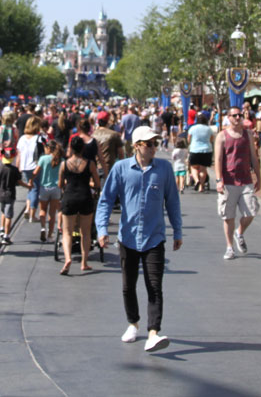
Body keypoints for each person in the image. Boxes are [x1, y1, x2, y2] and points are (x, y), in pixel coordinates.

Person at [96, 126, 181, 352]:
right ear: (136, 146)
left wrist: (178, 231)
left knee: (154, 285)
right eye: (148, 144)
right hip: (128, 237)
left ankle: (153, 332)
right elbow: (105, 200)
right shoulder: (121, 169)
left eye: (155, 143)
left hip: (154, 237)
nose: (154, 147)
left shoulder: (164, 169)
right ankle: (133, 323)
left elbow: (172, 201)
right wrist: (102, 228)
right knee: (128, 285)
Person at [215, 107, 261, 260]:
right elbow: (219, 159)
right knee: (228, 216)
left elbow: (254, 157)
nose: (237, 118)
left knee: (251, 211)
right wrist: (218, 180)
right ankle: (229, 247)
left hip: (246, 180)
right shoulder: (222, 136)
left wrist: (259, 177)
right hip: (228, 181)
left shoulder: (248, 135)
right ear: (228, 117)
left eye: (240, 115)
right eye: (234, 115)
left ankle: (239, 232)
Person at [58, 135, 102, 274]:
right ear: (83, 148)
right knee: (85, 232)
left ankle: (68, 259)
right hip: (85, 198)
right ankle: (84, 262)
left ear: (70, 147)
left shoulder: (64, 164)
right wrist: (91, 186)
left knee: (67, 232)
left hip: (69, 197)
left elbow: (60, 184)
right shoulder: (90, 164)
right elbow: (97, 184)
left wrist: (68, 184)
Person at [0, 149, 31, 246]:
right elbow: (19, 182)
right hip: (10, 195)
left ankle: (2, 228)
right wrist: (28, 186)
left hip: (0, 194)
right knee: (9, 215)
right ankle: (6, 236)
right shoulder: (14, 170)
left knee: (3, 212)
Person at [33, 139, 62, 244]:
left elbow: (35, 172)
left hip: (44, 188)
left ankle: (42, 228)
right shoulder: (60, 159)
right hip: (56, 188)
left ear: (48, 148)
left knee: (42, 210)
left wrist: (31, 181)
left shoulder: (43, 159)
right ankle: (50, 235)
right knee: (52, 213)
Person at [15, 117, 44, 223]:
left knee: (30, 187)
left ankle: (27, 209)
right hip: (35, 166)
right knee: (35, 189)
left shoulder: (22, 138)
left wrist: (18, 168)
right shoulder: (39, 138)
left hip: (24, 167)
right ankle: (32, 214)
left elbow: (19, 154)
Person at [187, 113, 214, 192]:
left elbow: (189, 139)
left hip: (195, 149)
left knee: (193, 167)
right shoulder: (208, 129)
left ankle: (196, 180)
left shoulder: (193, 128)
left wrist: (190, 144)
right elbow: (211, 139)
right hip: (206, 150)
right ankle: (201, 187)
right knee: (203, 169)